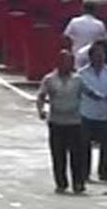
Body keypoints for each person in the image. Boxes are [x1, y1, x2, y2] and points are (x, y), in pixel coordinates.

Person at [36, 50, 86, 194]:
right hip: (57, 122)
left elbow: (88, 93)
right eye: (66, 61)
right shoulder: (49, 79)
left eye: (71, 62)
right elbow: (41, 96)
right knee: (58, 155)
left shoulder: (78, 79)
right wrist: (41, 111)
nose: (69, 65)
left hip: (74, 122)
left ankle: (78, 182)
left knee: (77, 156)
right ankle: (61, 183)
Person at [78, 41, 107, 182]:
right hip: (87, 113)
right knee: (84, 146)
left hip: (105, 114)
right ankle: (84, 173)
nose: (100, 57)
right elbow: (85, 90)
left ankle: (103, 172)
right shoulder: (82, 73)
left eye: (102, 54)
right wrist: (97, 95)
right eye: (97, 55)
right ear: (91, 57)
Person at [64, 1, 107, 69]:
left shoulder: (74, 22)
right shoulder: (99, 24)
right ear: (95, 10)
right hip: (92, 57)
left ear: (83, 9)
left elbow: (66, 37)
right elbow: (103, 41)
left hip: (76, 54)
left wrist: (69, 50)